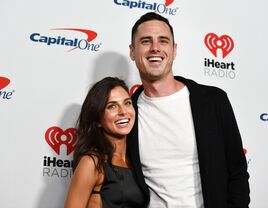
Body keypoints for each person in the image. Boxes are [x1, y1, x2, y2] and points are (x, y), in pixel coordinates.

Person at [127, 12, 250, 208]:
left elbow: (237, 170)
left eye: (163, 41)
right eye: (145, 41)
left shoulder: (214, 101)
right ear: (132, 52)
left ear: (174, 50)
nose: (155, 48)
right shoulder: (127, 114)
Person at [64, 77, 146, 208]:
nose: (123, 112)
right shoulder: (92, 162)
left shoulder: (136, 161)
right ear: (97, 119)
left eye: (127, 103)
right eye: (112, 106)